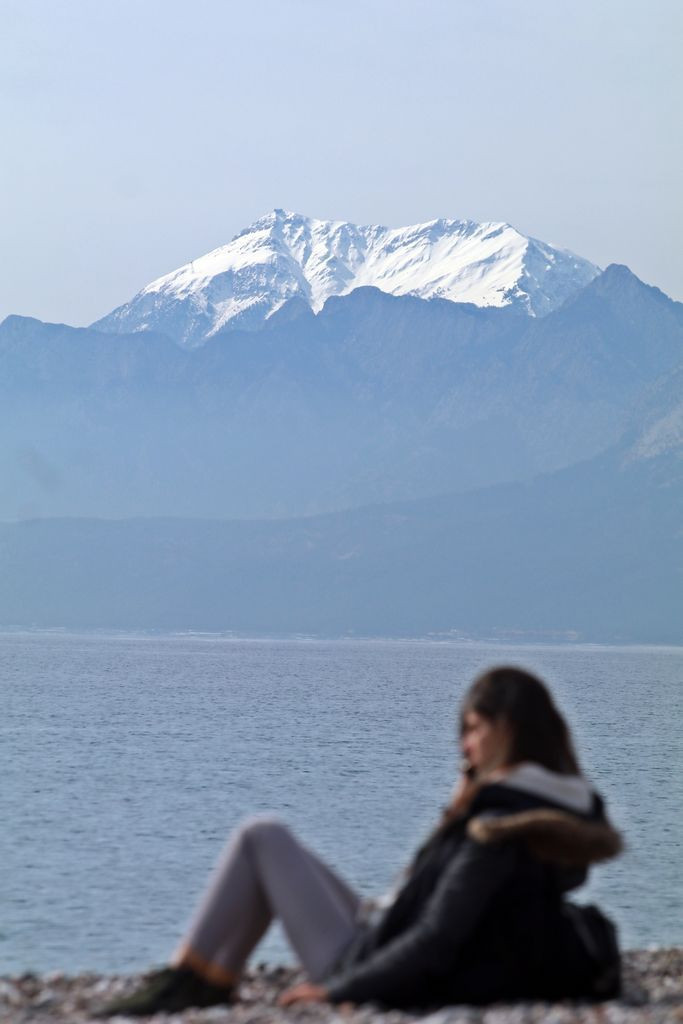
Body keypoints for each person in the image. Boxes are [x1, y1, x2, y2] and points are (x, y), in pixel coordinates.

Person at [97, 666, 623, 1016]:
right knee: (270, 845)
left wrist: (337, 990)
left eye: (474, 728)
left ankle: (187, 977)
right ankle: (205, 979)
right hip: (392, 930)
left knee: (262, 837)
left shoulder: (497, 828)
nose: (465, 745)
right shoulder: (556, 810)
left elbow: (438, 936)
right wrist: (460, 810)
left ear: (506, 729)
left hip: (371, 961)